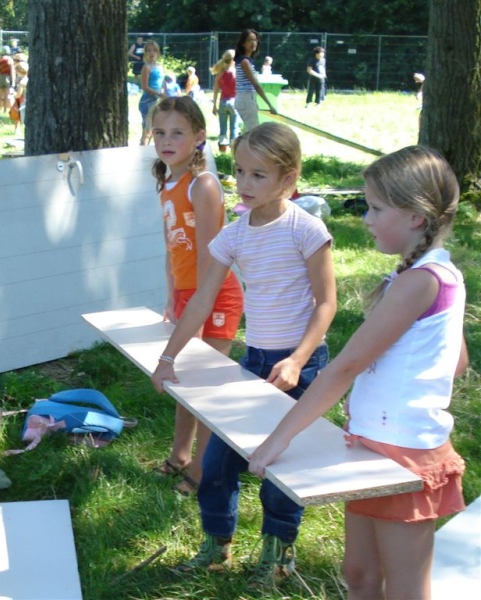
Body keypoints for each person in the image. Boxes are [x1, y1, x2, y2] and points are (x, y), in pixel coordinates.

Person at [249, 146, 468, 599]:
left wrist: (278, 438)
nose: (366, 219)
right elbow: (458, 360)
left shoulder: (420, 282)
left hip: (405, 454)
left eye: (376, 208)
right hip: (372, 444)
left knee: (406, 587)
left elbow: (344, 366)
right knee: (360, 573)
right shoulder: (427, 273)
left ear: (416, 217)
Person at [151, 122, 337, 588]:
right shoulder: (234, 235)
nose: (244, 183)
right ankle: (216, 547)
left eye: (258, 175)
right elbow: (201, 299)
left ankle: (277, 556)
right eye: (238, 171)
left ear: (288, 178)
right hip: (254, 362)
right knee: (216, 464)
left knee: (281, 471)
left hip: (301, 366)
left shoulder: (306, 228)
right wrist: (168, 358)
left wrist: (297, 360)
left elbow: (326, 303)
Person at [150, 96, 244, 494]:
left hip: (216, 297)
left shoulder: (202, 184)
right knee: (184, 384)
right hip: (190, 296)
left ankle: (203, 470)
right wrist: (174, 298)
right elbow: (173, 250)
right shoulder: (167, 182)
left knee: (205, 389)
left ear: (199, 137)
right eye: (160, 132)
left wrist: (199, 309)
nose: (167, 140)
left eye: (177, 133)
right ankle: (179, 455)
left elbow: (210, 254)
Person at [234, 29, 277, 132]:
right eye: (250, 40)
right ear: (243, 43)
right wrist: (269, 104)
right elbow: (256, 84)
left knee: (249, 132)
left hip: (247, 98)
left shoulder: (247, 60)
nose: (254, 43)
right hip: (245, 98)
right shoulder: (245, 62)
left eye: (255, 40)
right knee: (254, 133)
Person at [211, 49, 240, 148]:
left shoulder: (220, 73)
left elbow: (215, 91)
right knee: (234, 129)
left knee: (223, 129)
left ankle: (222, 150)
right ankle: (234, 151)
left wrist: (214, 106)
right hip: (234, 102)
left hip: (223, 102)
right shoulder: (237, 73)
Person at [138, 40, 165, 146]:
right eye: (148, 51)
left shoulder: (159, 67)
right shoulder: (146, 68)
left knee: (156, 129)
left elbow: (162, 83)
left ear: (158, 53)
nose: (151, 53)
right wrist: (159, 94)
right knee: (148, 130)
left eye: (154, 50)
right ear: (145, 53)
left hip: (158, 100)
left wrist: (164, 93)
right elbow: (144, 87)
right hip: (148, 100)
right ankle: (143, 151)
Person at [10, 61, 28, 136]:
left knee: (24, 119)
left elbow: (19, 94)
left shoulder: (22, 82)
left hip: (23, 101)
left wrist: (12, 95)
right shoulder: (29, 79)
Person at [0, 46, 15, 113]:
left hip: (0, 77)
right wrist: (13, 81)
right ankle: (5, 110)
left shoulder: (0, 59)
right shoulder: (10, 59)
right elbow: (12, 71)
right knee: (6, 95)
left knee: (0, 95)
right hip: (7, 78)